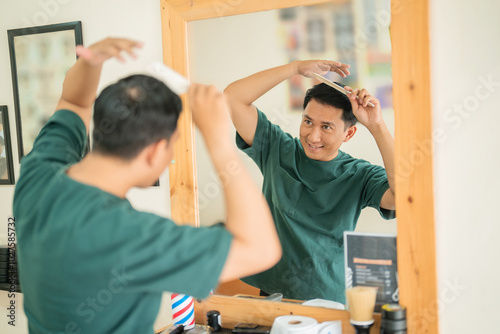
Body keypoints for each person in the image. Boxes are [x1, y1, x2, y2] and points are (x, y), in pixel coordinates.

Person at [13, 37, 281, 334]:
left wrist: (90, 61)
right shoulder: (131, 237)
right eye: (173, 145)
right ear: (154, 151)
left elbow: (73, 102)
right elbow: (260, 249)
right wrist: (220, 143)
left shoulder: (37, 175)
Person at [224, 60, 396, 304]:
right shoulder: (278, 148)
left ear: (348, 133)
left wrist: (377, 125)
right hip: (273, 294)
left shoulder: (361, 174)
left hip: (327, 298)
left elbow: (403, 194)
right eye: (308, 122)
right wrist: (294, 69)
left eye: (326, 127)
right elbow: (233, 97)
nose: (312, 136)